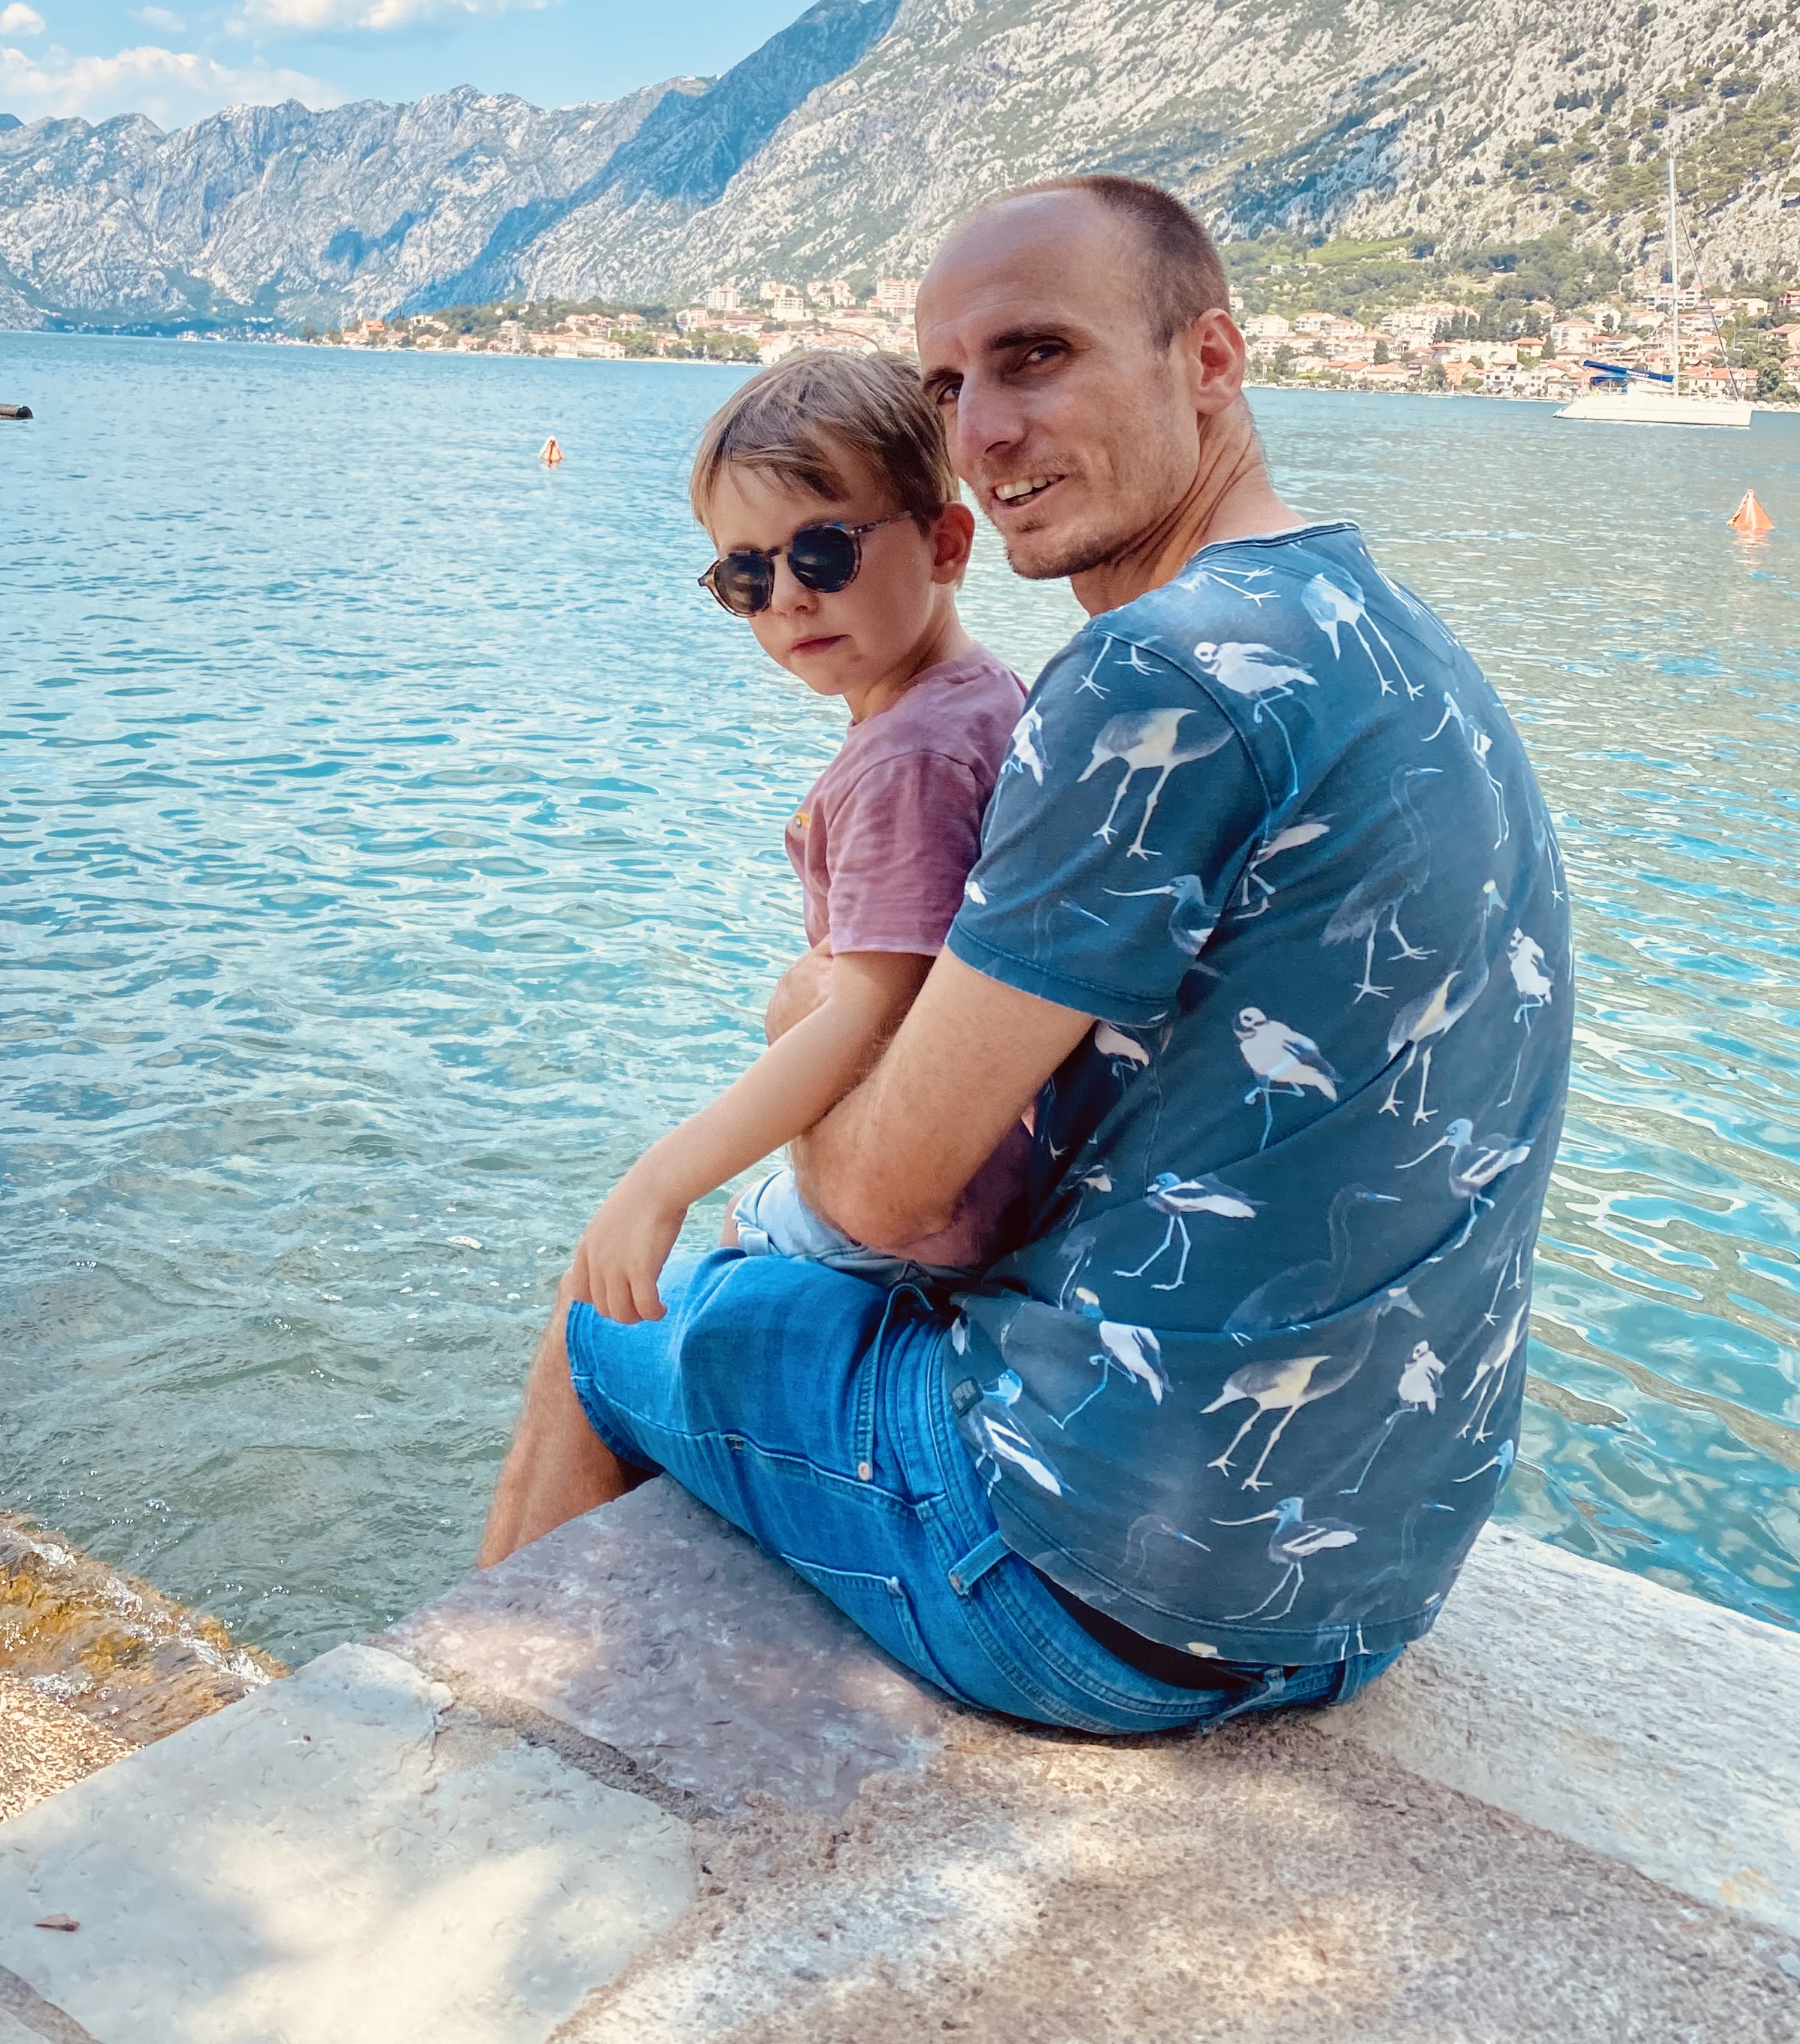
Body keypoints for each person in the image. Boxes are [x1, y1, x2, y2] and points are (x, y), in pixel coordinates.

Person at [480, 174, 1572, 1738]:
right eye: (947, 384)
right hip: (1366, 1580)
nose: (981, 432)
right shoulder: (1373, 617)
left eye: (1038, 356)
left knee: (609, 1329)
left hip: (1108, 1582)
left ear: (1211, 361)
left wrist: (806, 1015)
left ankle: (473, 1767)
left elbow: (884, 1191)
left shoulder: (1157, 678)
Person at [569, 352, 1031, 1330]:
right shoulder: (977, 697)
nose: (785, 597)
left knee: (605, 1325)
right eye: (745, 572)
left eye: (823, 551)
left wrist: (659, 1181)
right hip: (991, 1176)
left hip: (923, 1222)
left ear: (948, 545)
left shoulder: (909, 754)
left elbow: (867, 1010)